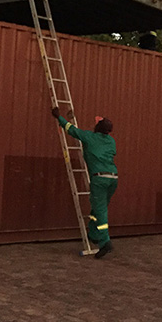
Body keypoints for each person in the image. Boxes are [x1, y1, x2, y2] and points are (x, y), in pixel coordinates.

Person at [50, 107, 118, 259]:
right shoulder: (111, 141)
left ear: (98, 128)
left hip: (99, 179)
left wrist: (58, 117)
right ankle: (94, 234)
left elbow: (71, 129)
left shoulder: (89, 137)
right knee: (98, 208)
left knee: (100, 210)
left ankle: (105, 242)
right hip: (113, 179)